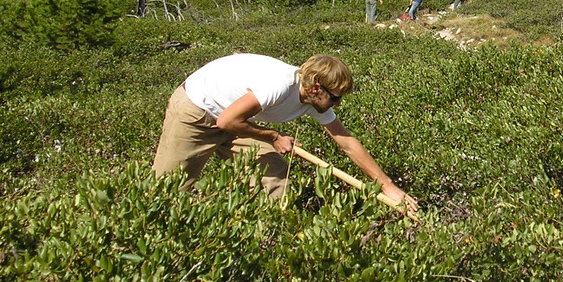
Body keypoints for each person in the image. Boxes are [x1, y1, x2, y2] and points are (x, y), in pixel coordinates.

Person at [152, 53, 416, 213]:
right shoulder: (278, 86)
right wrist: (272, 137)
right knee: (171, 187)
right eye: (335, 98)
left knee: (276, 176)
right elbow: (226, 121)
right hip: (197, 112)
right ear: (316, 88)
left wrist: (388, 186)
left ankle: (271, 236)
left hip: (238, 118)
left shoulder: (313, 101)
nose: (338, 104)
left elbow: (346, 143)